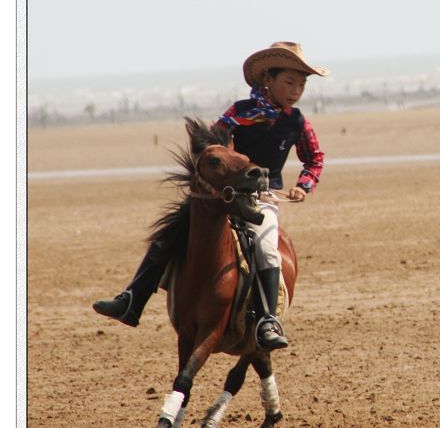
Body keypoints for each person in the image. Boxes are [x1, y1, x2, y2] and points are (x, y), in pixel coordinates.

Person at [93, 42, 328, 351]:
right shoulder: (239, 113)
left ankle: (268, 321)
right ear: (267, 80)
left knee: (268, 250)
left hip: (262, 199)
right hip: (222, 195)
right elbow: (211, 148)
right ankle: (131, 300)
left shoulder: (296, 121)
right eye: (290, 82)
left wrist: (304, 185)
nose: (296, 90)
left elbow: (315, 158)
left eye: (301, 85)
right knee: (169, 236)